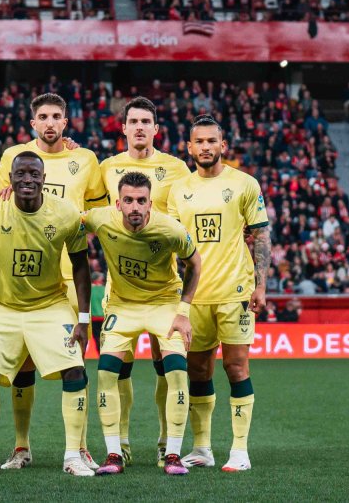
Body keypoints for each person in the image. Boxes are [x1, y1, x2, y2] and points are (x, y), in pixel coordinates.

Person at [0, 93, 106, 470]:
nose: (50, 122)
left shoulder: (85, 159)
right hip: (24, 276)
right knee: (23, 362)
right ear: (33, 123)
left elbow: (95, 213)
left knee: (76, 359)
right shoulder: (14, 157)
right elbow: (0, 207)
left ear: (66, 122)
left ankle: (81, 447)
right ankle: (21, 447)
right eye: (43, 116)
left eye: (57, 116)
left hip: (69, 277)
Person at [0, 152, 95, 476]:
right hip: (5, 306)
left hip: (50, 306)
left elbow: (81, 266)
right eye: (20, 174)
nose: (27, 180)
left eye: (33, 174)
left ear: (44, 178)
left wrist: (83, 319)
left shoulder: (64, 213)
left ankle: (72, 456)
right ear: (9, 177)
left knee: (76, 370)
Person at [166, 115, 272, 473]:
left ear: (223, 146)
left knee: (236, 366)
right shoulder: (178, 189)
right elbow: (168, 242)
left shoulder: (244, 184)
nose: (206, 147)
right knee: (198, 370)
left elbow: (260, 234)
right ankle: (202, 447)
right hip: (194, 296)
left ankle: (239, 450)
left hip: (235, 292)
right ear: (190, 147)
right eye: (200, 141)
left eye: (213, 141)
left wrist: (261, 285)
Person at [84, 172, 200, 475]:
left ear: (150, 204)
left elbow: (195, 263)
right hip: (123, 306)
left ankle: (172, 454)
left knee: (176, 370)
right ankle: (114, 454)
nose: (135, 207)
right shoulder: (101, 219)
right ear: (118, 203)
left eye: (141, 201)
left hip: (164, 304)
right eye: (128, 200)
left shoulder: (170, 229)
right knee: (107, 373)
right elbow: (66, 218)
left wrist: (183, 311)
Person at [97, 96, 192, 463]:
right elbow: (89, 209)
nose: (139, 127)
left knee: (165, 368)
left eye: (145, 121)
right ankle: (119, 445)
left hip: (164, 282)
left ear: (156, 128)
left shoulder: (177, 168)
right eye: (132, 121)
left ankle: (167, 445)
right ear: (123, 128)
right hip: (121, 285)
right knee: (118, 370)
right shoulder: (106, 167)